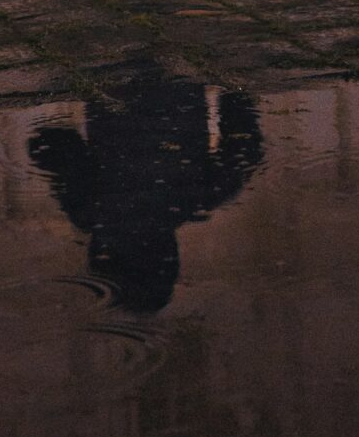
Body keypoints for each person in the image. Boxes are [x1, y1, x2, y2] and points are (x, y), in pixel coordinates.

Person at [28, 69, 264, 314]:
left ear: (170, 252)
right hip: (112, 75)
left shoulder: (202, 197)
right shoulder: (92, 212)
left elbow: (246, 143)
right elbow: (48, 142)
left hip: (177, 76)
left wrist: (230, 93)